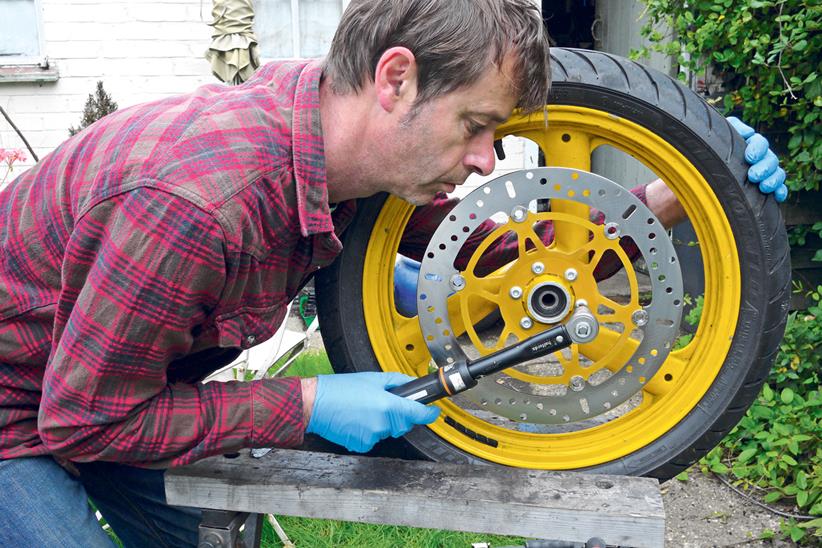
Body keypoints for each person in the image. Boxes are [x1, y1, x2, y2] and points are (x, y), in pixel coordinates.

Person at [0, 0, 785, 546]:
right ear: (396, 78)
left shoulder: (347, 159)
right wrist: (305, 399)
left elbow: (499, 270)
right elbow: (87, 421)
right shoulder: (199, 204)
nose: (487, 161)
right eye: (478, 127)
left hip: (108, 383)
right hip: (24, 419)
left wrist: (680, 189)